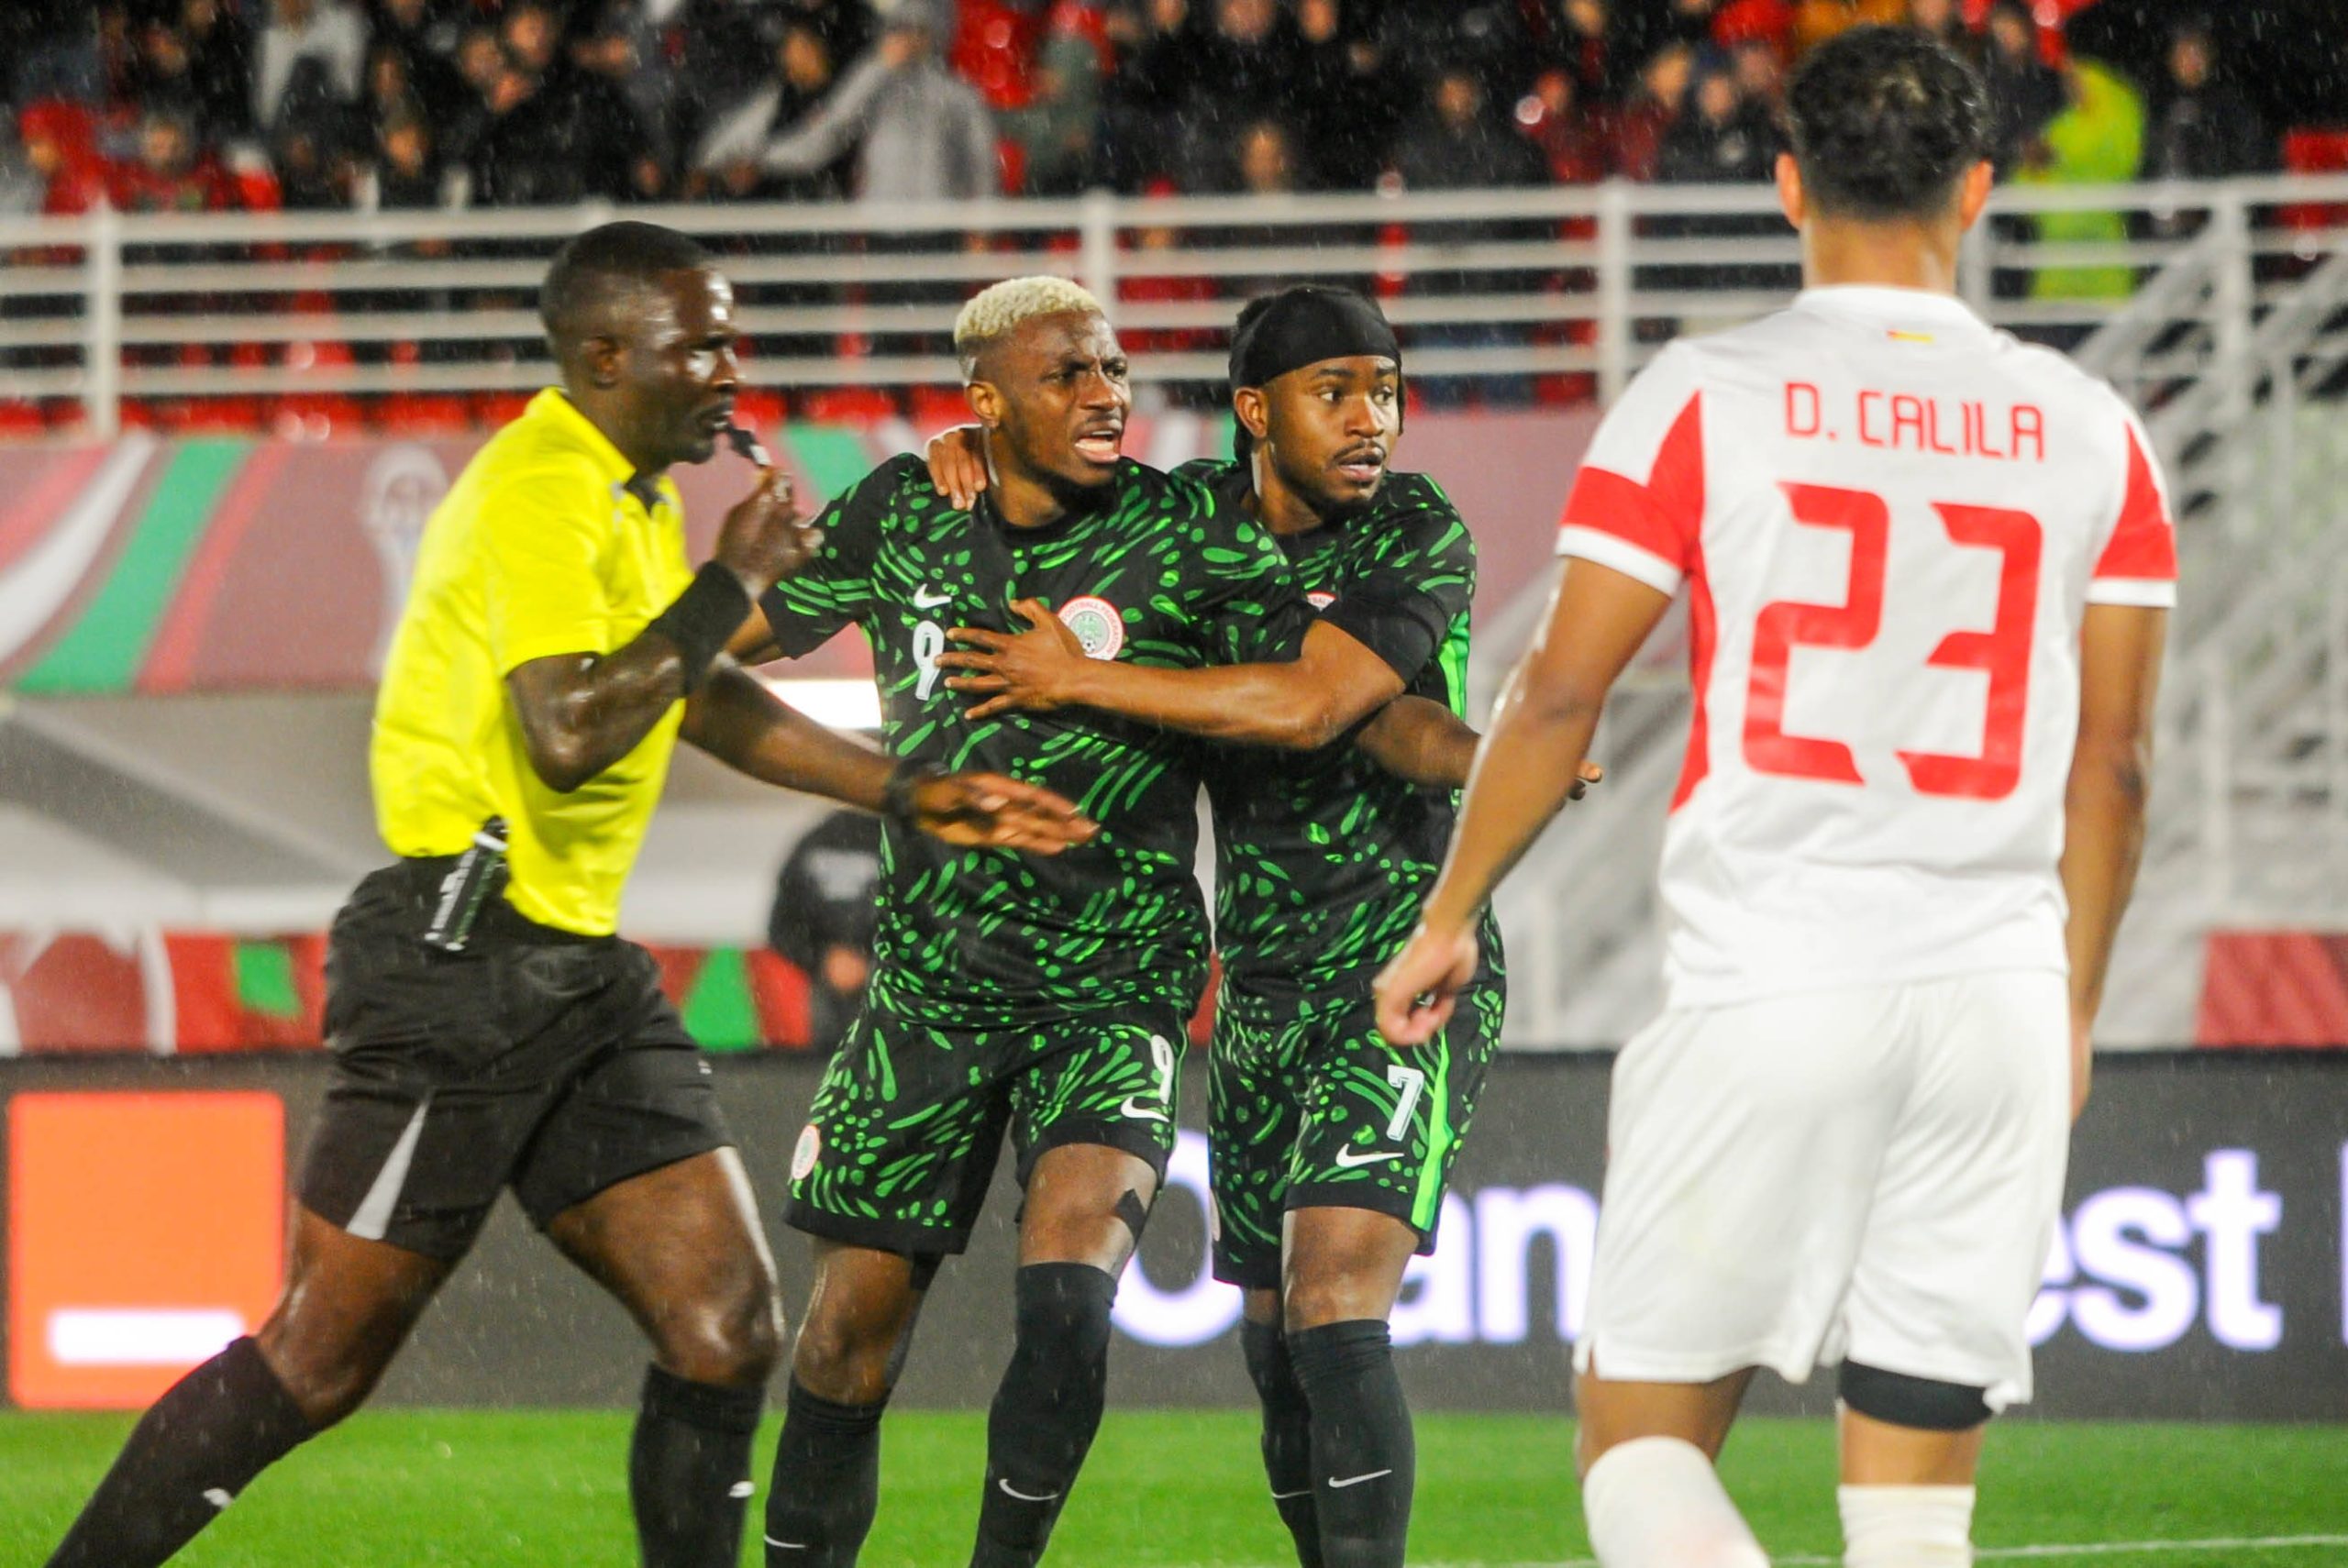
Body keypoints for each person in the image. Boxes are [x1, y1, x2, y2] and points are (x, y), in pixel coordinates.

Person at [40, 221, 1091, 1568]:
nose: (728, 366)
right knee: (320, 1353)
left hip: (576, 971)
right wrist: (734, 580)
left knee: (724, 1322)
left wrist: (903, 783)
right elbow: (571, 730)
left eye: (729, 335)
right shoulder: (541, 488)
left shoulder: (629, 497)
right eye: (698, 340)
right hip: (455, 959)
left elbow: (694, 694)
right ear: (606, 355)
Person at [1377, 28, 2172, 1568]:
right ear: (1984, 190)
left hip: (1778, 975)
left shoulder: (1704, 393)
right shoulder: (2097, 433)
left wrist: (1451, 912)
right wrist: (2067, 1009)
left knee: (1634, 1445)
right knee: (1917, 1522)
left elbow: (1554, 693)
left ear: (1790, 185)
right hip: (1997, 994)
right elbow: (2117, 767)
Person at [925, 285, 1599, 1568]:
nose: (1371, 421)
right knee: (1277, 1338)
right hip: (1259, 984)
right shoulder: (1180, 524)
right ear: (1251, 410)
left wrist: (1080, 674)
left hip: (1407, 954)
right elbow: (1043, 472)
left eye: (1386, 391)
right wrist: (967, 453)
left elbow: (1328, 706)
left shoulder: (1413, 527)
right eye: (1335, 391)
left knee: (1338, 1294)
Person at [740, 275, 1326, 1568]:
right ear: (985, 401)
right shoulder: (904, 508)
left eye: (1113, 367)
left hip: (1117, 987)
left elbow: (1304, 687)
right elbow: (722, 651)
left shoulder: (1187, 528)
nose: (1106, 391)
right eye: (1066, 373)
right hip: (930, 990)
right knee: (846, 1336)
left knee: (1069, 1310)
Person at [767, 807, 883, 1051]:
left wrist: (871, 963)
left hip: (891, 993)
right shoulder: (820, 840)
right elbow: (781, 925)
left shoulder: (818, 840)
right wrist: (824, 959)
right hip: (832, 997)